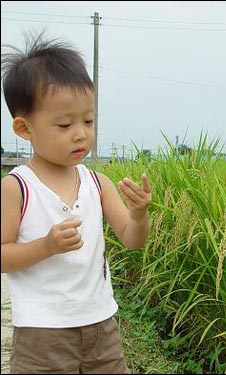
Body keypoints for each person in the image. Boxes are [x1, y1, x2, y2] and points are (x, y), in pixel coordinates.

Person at [1, 31, 152, 374]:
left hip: (102, 326)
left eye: (88, 121)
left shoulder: (98, 183)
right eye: (65, 124)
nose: (81, 133)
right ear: (24, 128)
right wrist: (46, 245)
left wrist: (139, 214)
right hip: (43, 334)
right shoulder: (17, 188)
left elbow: (132, 239)